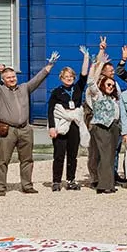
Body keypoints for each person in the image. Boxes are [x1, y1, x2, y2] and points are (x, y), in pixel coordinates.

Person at [0, 48, 57, 196]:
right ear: (3, 80)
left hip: (25, 129)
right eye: (8, 78)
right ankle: (0, 187)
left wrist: (49, 65)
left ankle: (27, 185)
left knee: (27, 159)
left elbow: (37, 79)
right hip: (8, 130)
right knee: (3, 160)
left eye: (13, 76)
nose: (12, 79)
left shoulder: (24, 88)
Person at [47, 50, 89, 192]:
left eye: (71, 76)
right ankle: (56, 181)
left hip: (74, 123)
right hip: (61, 124)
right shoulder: (56, 92)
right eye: (66, 77)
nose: (69, 79)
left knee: (72, 155)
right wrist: (52, 127)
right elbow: (51, 110)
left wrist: (86, 57)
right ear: (61, 78)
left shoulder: (77, 88)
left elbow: (84, 75)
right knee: (59, 154)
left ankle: (71, 180)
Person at [86, 59, 123, 194]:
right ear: (102, 84)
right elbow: (90, 81)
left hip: (113, 127)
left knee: (111, 155)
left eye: (112, 85)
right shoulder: (98, 95)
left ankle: (108, 183)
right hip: (101, 126)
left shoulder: (112, 98)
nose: (110, 87)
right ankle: (104, 184)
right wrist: (98, 64)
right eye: (108, 84)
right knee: (105, 155)